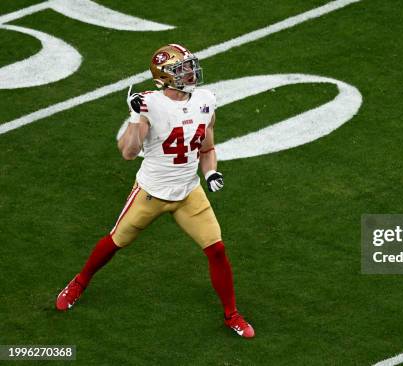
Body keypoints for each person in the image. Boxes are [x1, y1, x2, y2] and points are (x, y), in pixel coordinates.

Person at [55, 43, 254, 339]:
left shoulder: (205, 100)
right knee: (115, 241)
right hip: (151, 192)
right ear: (164, 76)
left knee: (217, 249)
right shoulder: (149, 104)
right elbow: (128, 152)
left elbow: (208, 146)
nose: (190, 72)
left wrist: (211, 172)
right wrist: (136, 119)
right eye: (181, 68)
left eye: (188, 66)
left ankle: (232, 315)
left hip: (189, 192)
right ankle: (79, 282)